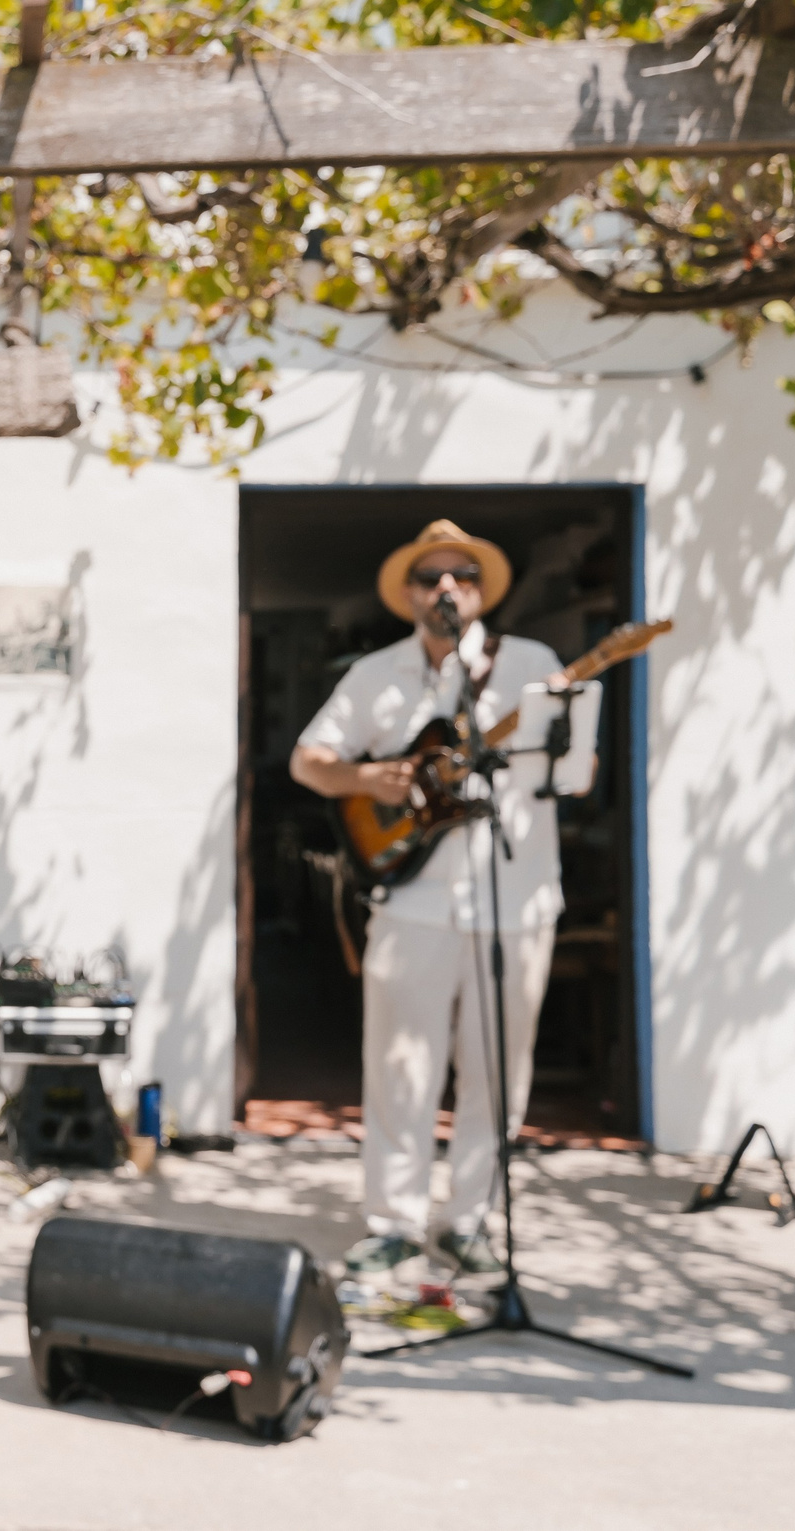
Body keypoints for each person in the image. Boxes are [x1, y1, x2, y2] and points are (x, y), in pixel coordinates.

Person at [289, 520, 590, 1285]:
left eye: (461, 575)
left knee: (497, 1073)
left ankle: (468, 1222)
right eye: (431, 578)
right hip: (410, 900)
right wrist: (368, 779)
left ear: (482, 590)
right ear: (411, 595)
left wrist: (556, 733)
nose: (446, 588)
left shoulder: (533, 665)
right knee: (398, 1069)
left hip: (515, 902)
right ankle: (392, 1223)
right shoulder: (376, 673)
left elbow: (575, 774)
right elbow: (309, 759)